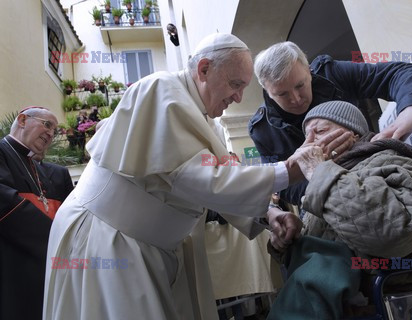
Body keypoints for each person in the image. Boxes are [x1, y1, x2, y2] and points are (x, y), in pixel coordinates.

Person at [43, 33, 316, 320]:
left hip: (146, 246)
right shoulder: (162, 89)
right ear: (204, 69)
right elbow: (196, 178)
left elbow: (216, 178)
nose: (238, 97)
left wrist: (269, 213)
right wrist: (288, 171)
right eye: (235, 85)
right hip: (109, 239)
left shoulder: (200, 115)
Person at [267, 100, 412, 319]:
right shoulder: (332, 177)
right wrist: (287, 241)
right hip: (349, 296)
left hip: (399, 289)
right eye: (306, 136)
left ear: (354, 134)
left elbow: (390, 232)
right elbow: (319, 251)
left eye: (321, 131)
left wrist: (318, 172)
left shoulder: (391, 160)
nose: (308, 143)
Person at [248, 41, 412, 207]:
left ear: (309, 70)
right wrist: (320, 175)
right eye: (282, 94)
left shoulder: (332, 74)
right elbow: (282, 185)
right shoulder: (262, 130)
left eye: (300, 85)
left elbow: (401, 73)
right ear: (266, 89)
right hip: (323, 203)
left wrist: (411, 110)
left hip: (377, 173)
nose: (296, 98)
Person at [0, 106, 61, 320]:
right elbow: (4, 202)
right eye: (47, 125)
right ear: (23, 120)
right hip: (11, 264)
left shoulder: (37, 167)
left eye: (55, 130)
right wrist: (56, 239)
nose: (51, 134)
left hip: (42, 266)